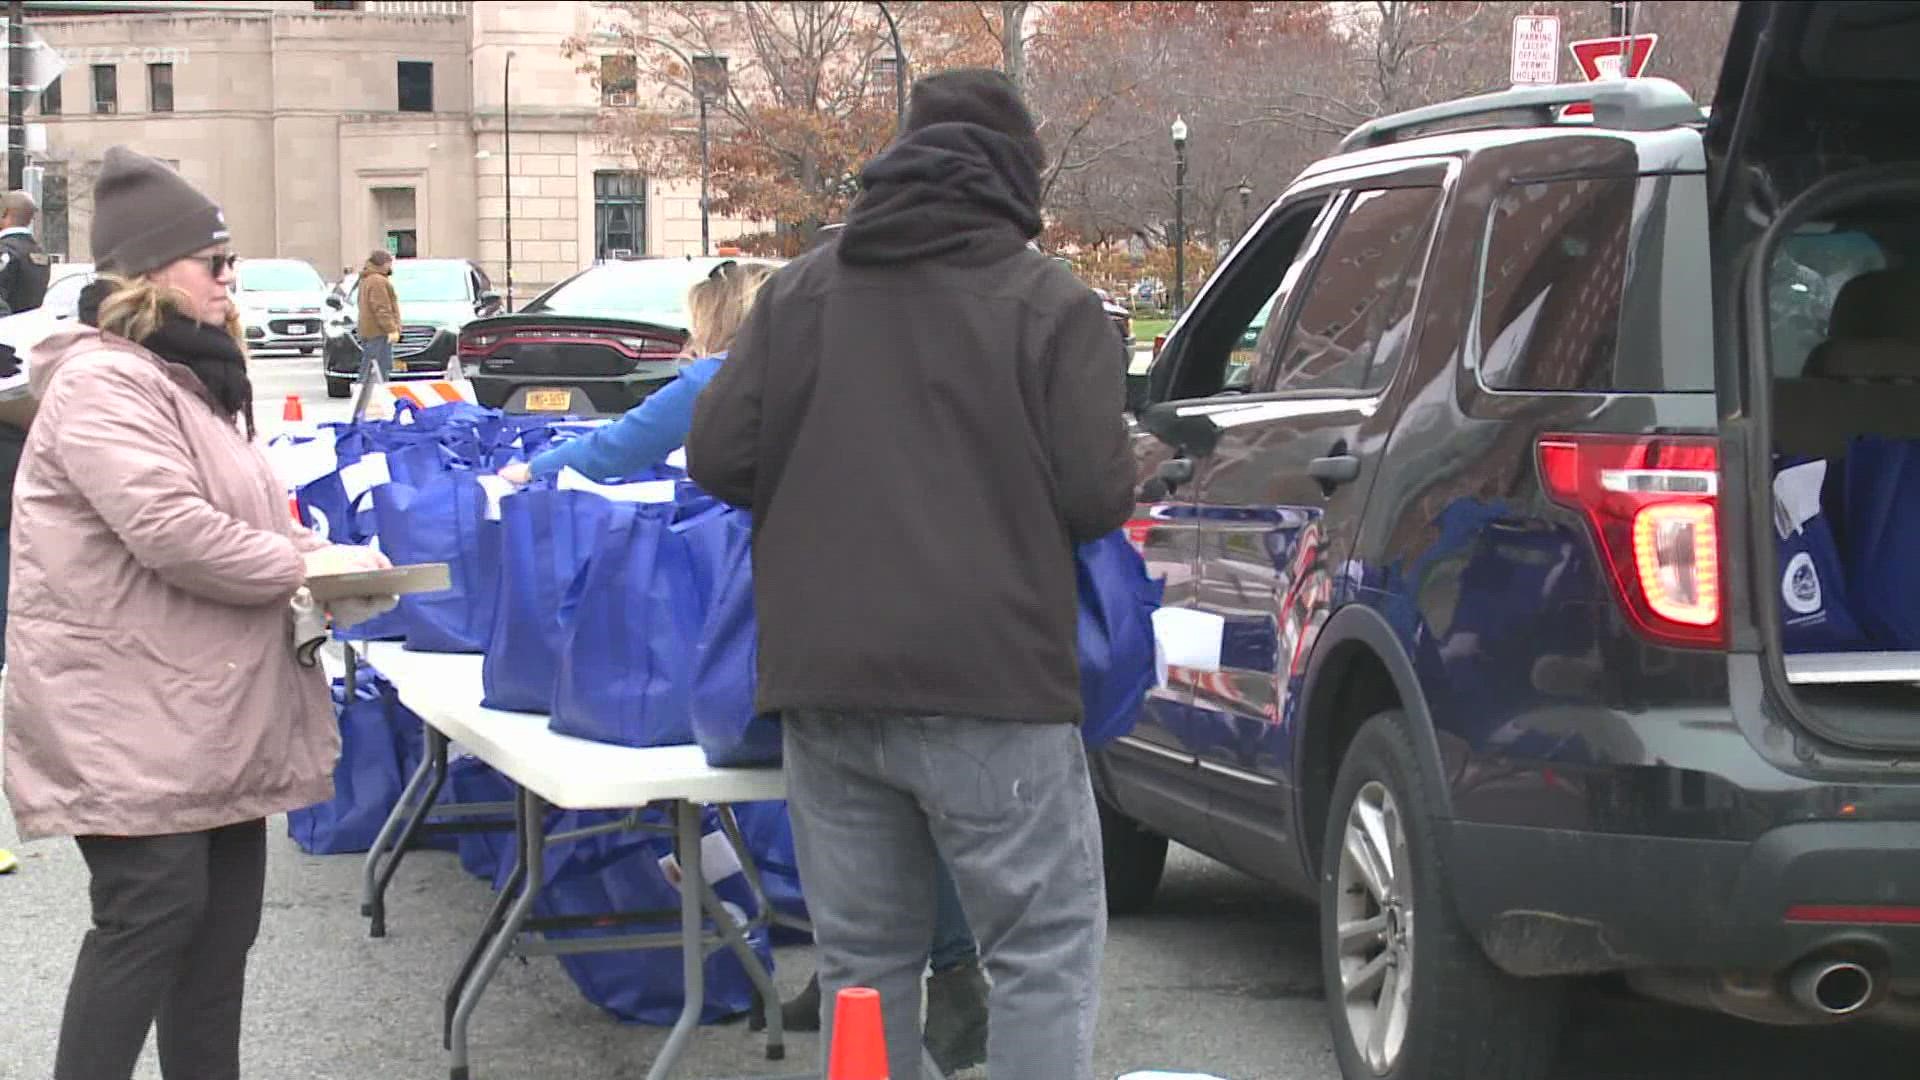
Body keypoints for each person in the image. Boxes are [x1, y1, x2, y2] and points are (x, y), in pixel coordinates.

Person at [687, 69, 1133, 1078]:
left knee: (861, 967)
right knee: (1040, 954)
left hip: (827, 683)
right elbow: (1097, 496)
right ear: (1017, 176)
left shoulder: (800, 293)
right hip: (997, 684)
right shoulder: (1049, 305)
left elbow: (717, 457)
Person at [501, 258, 995, 1072]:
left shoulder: (718, 382)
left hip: (782, 614)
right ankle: (884, 977)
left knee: (838, 802)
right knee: (864, 805)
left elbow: (617, 449)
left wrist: (528, 473)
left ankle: (930, 976)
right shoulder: (838, 373)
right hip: (880, 606)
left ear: (721, 322)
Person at [0, 144, 382, 1080]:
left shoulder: (194, 381)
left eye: (231, 259)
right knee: (150, 926)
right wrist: (304, 569)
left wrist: (311, 553)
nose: (230, 277)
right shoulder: (103, 381)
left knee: (217, 944)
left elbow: (238, 519)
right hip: (131, 716)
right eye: (213, 262)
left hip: (207, 714)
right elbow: (172, 531)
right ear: (149, 273)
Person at [357, 247, 402, 381]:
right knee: (378, 369)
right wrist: (392, 329)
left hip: (369, 332)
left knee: (370, 367)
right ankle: (370, 397)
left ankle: (366, 395)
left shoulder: (367, 279)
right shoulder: (378, 281)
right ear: (384, 263)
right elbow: (382, 309)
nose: (390, 266)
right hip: (378, 333)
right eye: (389, 263)